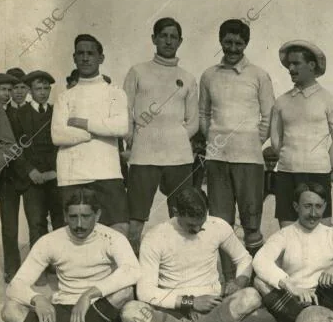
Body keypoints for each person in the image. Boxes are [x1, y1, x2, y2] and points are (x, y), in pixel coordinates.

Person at [1, 188, 140, 322]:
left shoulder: (112, 238)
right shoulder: (50, 241)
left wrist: (88, 295)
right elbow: (15, 285)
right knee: (9, 309)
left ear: (97, 215)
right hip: (64, 308)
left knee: (125, 292)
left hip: (99, 309)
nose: (79, 224)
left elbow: (132, 270)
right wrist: (37, 299)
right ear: (65, 216)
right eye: (73, 217)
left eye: (86, 217)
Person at [120, 187, 259, 322]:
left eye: (202, 223)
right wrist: (190, 302)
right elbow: (145, 292)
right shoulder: (155, 236)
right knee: (129, 311)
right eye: (191, 225)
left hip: (211, 305)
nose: (197, 229)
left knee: (252, 296)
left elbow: (244, 258)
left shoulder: (218, 226)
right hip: (171, 309)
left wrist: (239, 281)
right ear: (175, 211)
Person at [199, 19, 275, 282]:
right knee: (221, 225)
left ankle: (258, 280)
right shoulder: (209, 75)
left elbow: (268, 116)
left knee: (252, 224)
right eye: (228, 42)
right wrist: (214, 143)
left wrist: (253, 143)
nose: (232, 48)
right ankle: (230, 280)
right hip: (217, 159)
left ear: (246, 44)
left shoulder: (259, 75)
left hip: (250, 160)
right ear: (220, 41)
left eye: (238, 43)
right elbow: (203, 114)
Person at [252, 182, 333, 322]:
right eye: (307, 206)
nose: (313, 213)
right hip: (294, 302)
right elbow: (259, 260)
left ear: (324, 207)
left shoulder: (332, 234)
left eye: (318, 206)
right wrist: (290, 286)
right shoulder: (285, 235)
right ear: (296, 206)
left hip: (326, 302)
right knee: (260, 281)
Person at [123, 17, 199, 253]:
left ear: (180, 41)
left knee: (180, 217)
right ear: (154, 39)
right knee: (135, 222)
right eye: (163, 36)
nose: (168, 41)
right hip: (143, 157)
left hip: (179, 159)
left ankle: (177, 269)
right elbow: (125, 110)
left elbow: (193, 121)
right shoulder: (137, 71)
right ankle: (132, 273)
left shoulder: (187, 77)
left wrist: (173, 137)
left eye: (173, 37)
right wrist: (134, 139)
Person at [51, 34, 129, 235]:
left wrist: (82, 123)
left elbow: (121, 128)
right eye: (80, 53)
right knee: (74, 236)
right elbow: (58, 135)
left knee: (118, 232)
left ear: (101, 58)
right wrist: (93, 134)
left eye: (90, 53)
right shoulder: (64, 97)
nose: (85, 58)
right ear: (74, 57)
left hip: (108, 173)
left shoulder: (115, 93)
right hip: (72, 175)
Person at [270, 40, 333, 228]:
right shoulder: (281, 102)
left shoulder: (330, 100)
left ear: (312, 65)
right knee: (287, 229)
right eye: (289, 64)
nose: (291, 68)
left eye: (296, 63)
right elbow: (275, 140)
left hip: (317, 173)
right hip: (287, 174)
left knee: (321, 229)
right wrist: (290, 160)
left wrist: (323, 165)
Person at [16, 71, 64, 249]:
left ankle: (61, 265)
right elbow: (14, 148)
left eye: (46, 88)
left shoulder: (57, 112)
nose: (43, 92)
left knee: (60, 221)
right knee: (36, 223)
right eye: (38, 88)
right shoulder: (19, 114)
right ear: (29, 90)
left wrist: (55, 172)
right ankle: (40, 269)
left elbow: (62, 145)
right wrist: (30, 170)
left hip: (55, 177)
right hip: (32, 179)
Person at [0, 72, 27, 283]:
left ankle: (12, 269)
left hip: (10, 178)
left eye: (9, 90)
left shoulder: (17, 112)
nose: (7, 94)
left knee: (10, 226)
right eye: (2, 89)